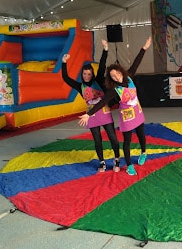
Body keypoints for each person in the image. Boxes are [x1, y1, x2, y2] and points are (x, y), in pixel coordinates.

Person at [78, 36, 152, 176]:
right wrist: (89, 114)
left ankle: (143, 152)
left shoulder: (129, 76)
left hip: (138, 110)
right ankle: (129, 165)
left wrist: (144, 47)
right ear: (111, 78)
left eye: (117, 73)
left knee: (142, 134)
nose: (116, 77)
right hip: (126, 115)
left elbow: (137, 61)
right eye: (112, 76)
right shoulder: (114, 90)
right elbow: (102, 102)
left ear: (121, 72)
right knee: (127, 141)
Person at [62, 39, 121, 173]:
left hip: (104, 112)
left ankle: (117, 158)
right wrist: (64, 62)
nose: (87, 76)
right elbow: (66, 78)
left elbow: (102, 65)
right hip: (91, 115)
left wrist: (105, 49)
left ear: (92, 74)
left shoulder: (98, 80)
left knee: (112, 137)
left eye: (89, 74)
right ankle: (102, 162)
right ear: (82, 75)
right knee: (97, 140)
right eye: (84, 74)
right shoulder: (80, 86)